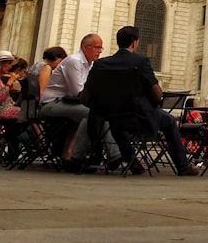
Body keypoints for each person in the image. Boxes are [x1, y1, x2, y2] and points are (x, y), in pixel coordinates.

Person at [85, 25, 198, 176]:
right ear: (134, 43)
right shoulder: (141, 61)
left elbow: (85, 97)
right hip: (139, 117)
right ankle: (183, 167)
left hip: (110, 119)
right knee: (170, 121)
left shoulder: (100, 64)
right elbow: (157, 95)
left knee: (117, 124)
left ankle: (132, 160)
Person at [39, 34, 120, 169]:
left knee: (100, 113)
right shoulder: (74, 61)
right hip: (52, 104)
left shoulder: (89, 64)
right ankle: (77, 157)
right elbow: (79, 92)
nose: (100, 51)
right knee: (92, 114)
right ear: (85, 47)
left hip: (68, 104)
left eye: (101, 48)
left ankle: (111, 154)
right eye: (97, 47)